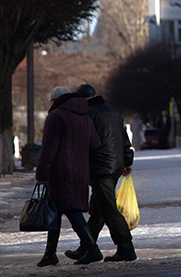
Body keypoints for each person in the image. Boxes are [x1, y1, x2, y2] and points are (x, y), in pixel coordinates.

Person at [64, 84, 136, 262]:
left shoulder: (88, 114)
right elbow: (124, 139)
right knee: (98, 210)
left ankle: (126, 248)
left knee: (109, 209)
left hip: (100, 168)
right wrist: (127, 161)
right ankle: (86, 248)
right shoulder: (113, 111)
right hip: (115, 166)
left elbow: (84, 144)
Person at [34, 86, 102, 267]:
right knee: (55, 210)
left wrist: (41, 172)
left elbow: (48, 147)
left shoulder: (55, 116)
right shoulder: (85, 117)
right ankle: (50, 253)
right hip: (80, 169)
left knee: (71, 210)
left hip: (60, 171)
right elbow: (95, 144)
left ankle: (92, 249)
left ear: (55, 101)